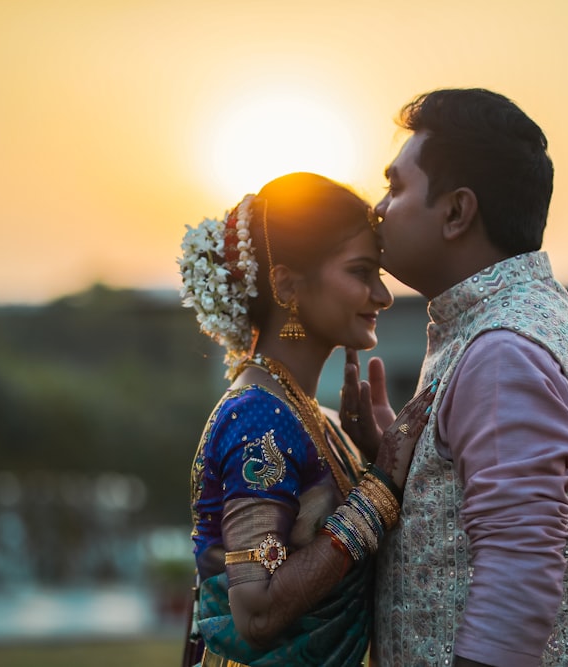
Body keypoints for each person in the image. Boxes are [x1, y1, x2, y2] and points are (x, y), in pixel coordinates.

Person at [340, 89, 568, 666]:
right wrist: (393, 463)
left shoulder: (502, 352)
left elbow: (518, 573)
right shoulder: (509, 324)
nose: (377, 208)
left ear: (456, 212)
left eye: (396, 188)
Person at [179, 172, 438, 666]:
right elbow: (256, 615)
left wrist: (368, 452)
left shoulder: (311, 414)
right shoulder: (258, 417)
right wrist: (379, 486)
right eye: (361, 272)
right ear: (287, 285)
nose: (382, 296)